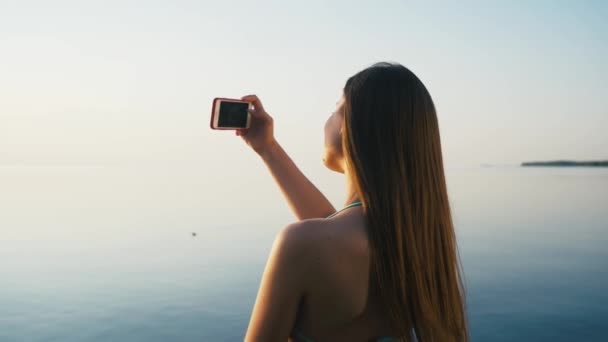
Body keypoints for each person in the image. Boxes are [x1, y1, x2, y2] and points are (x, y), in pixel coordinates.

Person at [239, 62, 469, 342]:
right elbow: (332, 227)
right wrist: (268, 149)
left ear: (351, 126)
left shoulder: (302, 244)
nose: (327, 120)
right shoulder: (417, 242)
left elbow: (324, 236)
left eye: (336, 108)